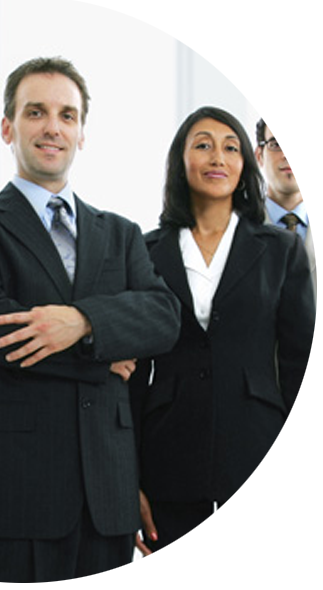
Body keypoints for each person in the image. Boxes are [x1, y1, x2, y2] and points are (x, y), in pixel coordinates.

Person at [0, 56, 181, 583]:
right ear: (8, 128)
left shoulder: (120, 233)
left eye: (67, 115)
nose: (53, 127)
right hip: (15, 489)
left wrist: (83, 322)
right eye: (36, 112)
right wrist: (101, 354)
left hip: (107, 492)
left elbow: (164, 316)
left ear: (81, 134)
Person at [131, 106, 316, 582]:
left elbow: (302, 370)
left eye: (231, 147)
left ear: (245, 164)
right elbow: (132, 377)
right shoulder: (145, 251)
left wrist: (301, 479)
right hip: (168, 457)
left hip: (261, 458)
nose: (218, 157)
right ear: (180, 161)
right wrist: (128, 480)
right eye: (203, 145)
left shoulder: (280, 250)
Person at [255, 98, 317, 583]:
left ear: (314, 151)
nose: (288, 152)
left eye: (299, 142)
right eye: (277, 143)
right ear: (259, 155)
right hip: (268, 433)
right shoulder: (235, 235)